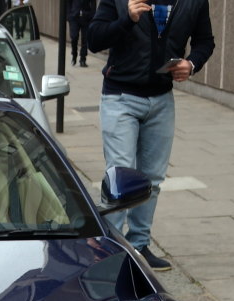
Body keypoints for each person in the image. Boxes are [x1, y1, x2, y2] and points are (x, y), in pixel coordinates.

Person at [88, 0, 213, 272]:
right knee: (121, 173)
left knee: (153, 178)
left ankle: (139, 244)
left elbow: (205, 41)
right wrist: (127, 19)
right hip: (120, 96)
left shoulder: (194, 2)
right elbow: (94, 39)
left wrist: (191, 64)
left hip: (161, 100)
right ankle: (110, 244)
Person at [67, 0, 94, 67]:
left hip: (86, 16)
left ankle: (83, 59)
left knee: (85, 39)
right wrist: (68, 15)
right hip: (74, 17)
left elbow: (93, 3)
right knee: (74, 37)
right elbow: (68, 3)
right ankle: (74, 54)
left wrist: (92, 15)